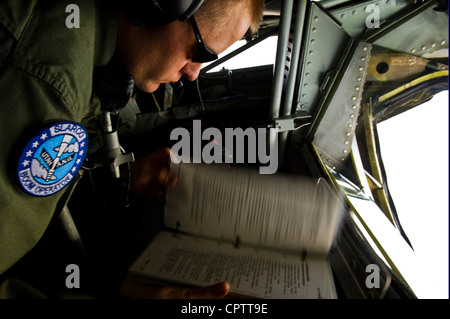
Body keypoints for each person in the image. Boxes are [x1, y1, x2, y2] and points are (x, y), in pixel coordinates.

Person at [0, 0, 265, 298]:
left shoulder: (79, 40)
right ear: (158, 5)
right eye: (200, 51)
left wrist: (123, 178)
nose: (194, 73)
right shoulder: (52, 83)